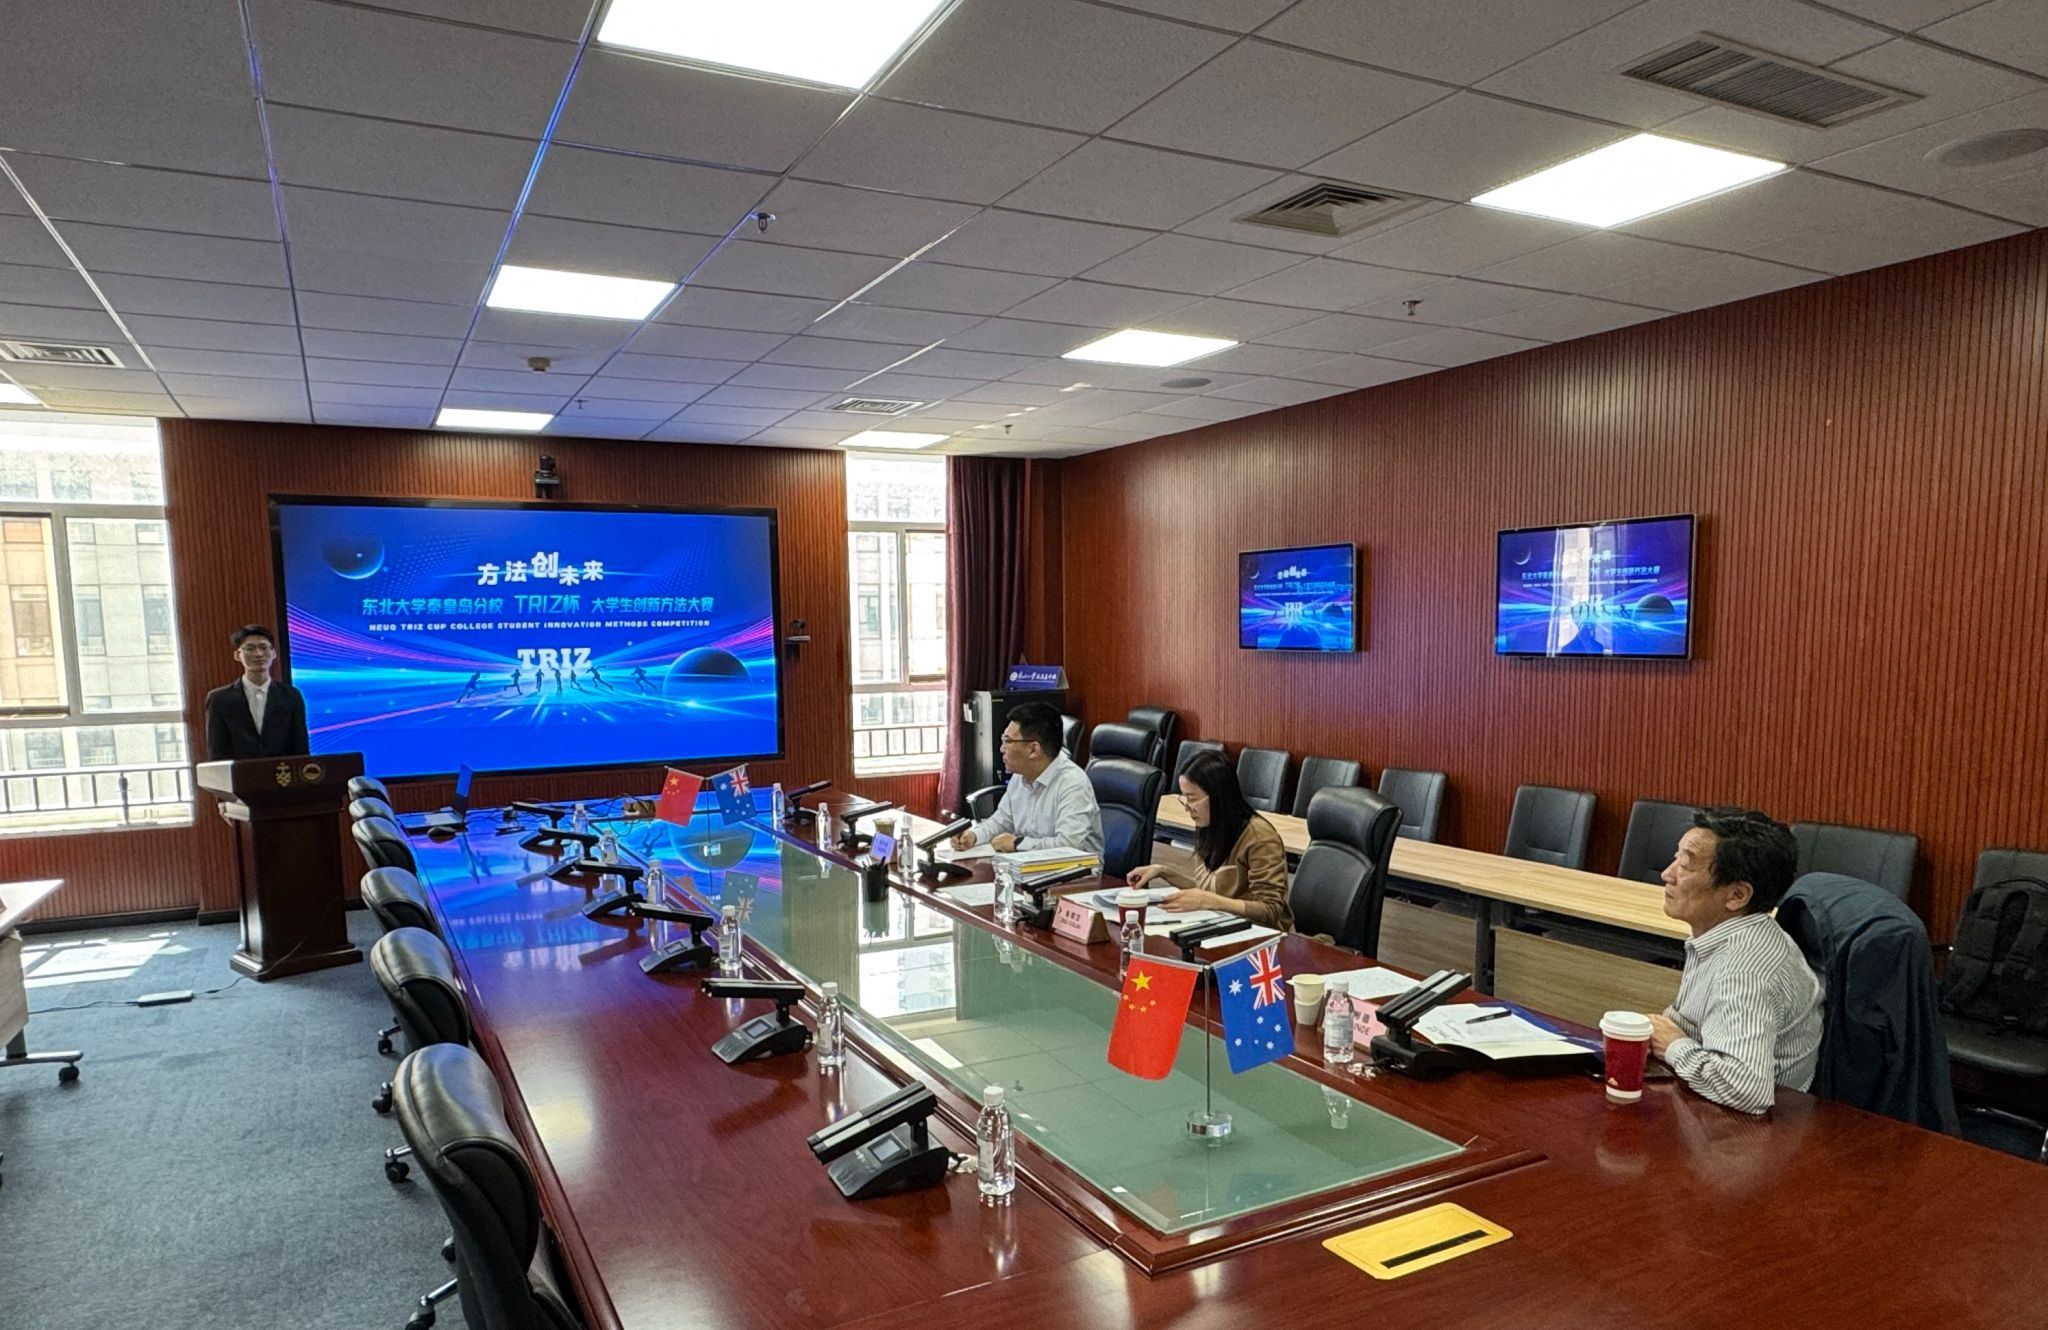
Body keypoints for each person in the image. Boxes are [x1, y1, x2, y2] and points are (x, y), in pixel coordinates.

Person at [1647, 806, 1823, 1115]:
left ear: (1737, 895)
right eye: (1676, 858)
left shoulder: (1744, 970)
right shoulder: (1731, 935)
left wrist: (1673, 1045)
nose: (1667, 874)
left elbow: (1746, 1088)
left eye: (1685, 865)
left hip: (1756, 1128)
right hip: (1710, 1108)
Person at [1125, 751, 1292, 930]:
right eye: (1184, 798)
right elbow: (1206, 893)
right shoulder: (1210, 826)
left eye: (1192, 799)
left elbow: (1271, 910)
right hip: (1221, 927)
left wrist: (1209, 901)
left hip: (1259, 935)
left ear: (1219, 796)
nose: (1187, 808)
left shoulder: (1259, 837)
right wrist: (1162, 871)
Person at [952, 701, 1102, 857]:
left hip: (1076, 870)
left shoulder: (1072, 783)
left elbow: (1069, 845)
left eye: (1008, 741)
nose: (1002, 749)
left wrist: (1018, 844)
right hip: (1028, 864)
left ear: (1033, 749)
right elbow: (1001, 821)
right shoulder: (1020, 776)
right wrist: (974, 835)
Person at [203, 624, 311, 760]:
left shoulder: (291, 696)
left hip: (281, 771)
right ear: (237, 655)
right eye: (250, 649)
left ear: (273, 653)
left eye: (263, 647)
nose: (258, 654)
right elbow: (216, 751)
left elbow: (300, 747)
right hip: (240, 772)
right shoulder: (219, 699)